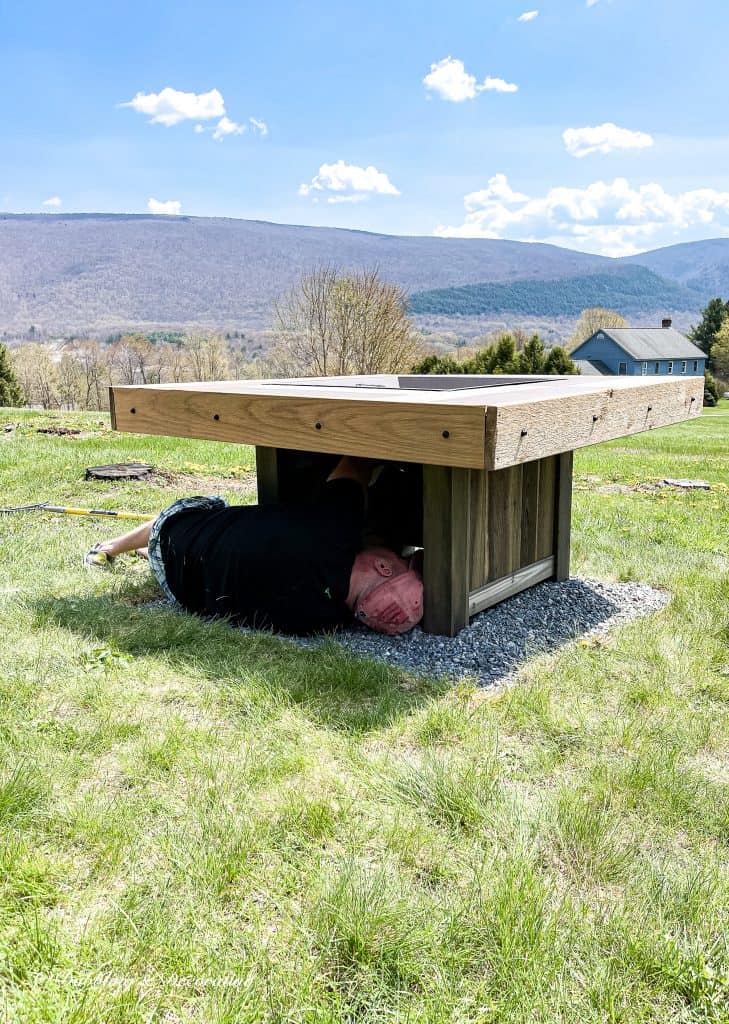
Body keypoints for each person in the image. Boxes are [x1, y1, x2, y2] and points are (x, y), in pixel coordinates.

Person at [84, 455, 423, 636]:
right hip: (181, 588)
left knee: (197, 514)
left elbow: (357, 459)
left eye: (399, 557)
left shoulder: (334, 527)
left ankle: (111, 547)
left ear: (384, 567)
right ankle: (146, 555)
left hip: (177, 533)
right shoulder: (324, 622)